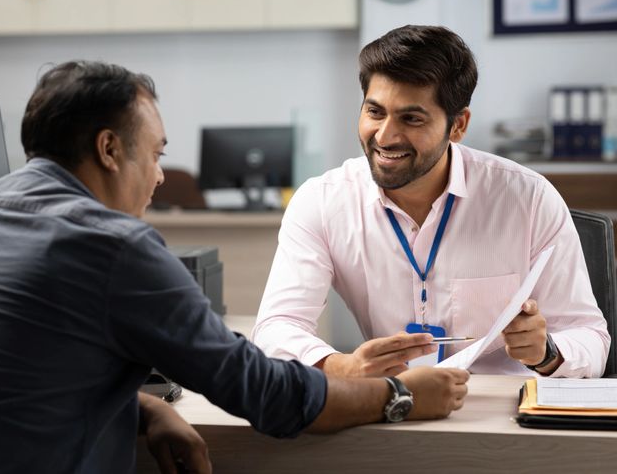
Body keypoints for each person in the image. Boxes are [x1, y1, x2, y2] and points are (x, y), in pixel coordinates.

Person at [0, 61, 469, 474]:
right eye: (157, 153)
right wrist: (402, 395)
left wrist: (139, 408)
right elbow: (266, 395)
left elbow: (16, 374)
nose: (161, 176)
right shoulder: (115, 245)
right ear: (111, 150)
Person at [252, 25, 610, 379]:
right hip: (392, 407)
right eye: (375, 112)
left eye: (411, 118)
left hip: (501, 417)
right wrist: (343, 367)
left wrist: (546, 352)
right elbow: (276, 328)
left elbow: (591, 338)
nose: (385, 136)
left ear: (458, 126)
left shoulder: (528, 198)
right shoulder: (323, 202)